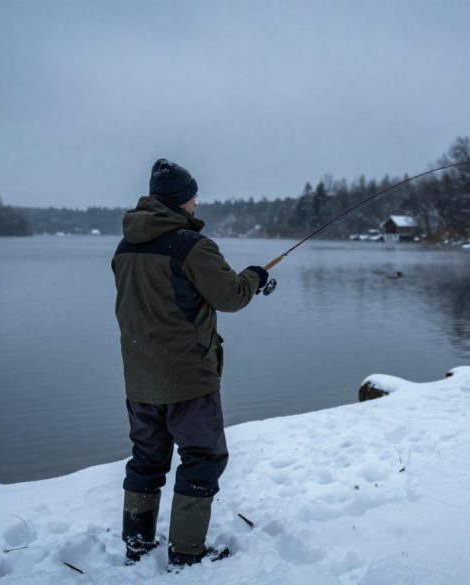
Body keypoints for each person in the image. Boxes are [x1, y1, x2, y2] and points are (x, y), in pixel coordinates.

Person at [111, 158, 269, 570]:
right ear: (182, 200)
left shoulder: (125, 247)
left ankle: (137, 543)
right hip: (188, 381)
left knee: (146, 460)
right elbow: (232, 296)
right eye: (194, 196)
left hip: (139, 379)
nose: (197, 203)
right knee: (203, 460)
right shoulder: (192, 246)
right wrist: (255, 276)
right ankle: (186, 553)